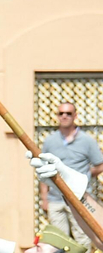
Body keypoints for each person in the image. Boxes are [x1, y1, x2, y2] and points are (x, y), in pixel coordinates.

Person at [33, 102, 103, 240]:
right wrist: (44, 198)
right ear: (57, 116)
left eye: (68, 113)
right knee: (60, 241)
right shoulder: (50, 141)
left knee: (83, 240)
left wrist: (86, 175)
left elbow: (100, 164)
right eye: (61, 113)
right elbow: (43, 169)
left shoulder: (87, 140)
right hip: (56, 199)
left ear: (75, 116)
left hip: (80, 197)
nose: (64, 116)